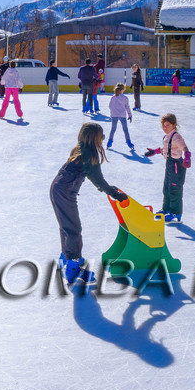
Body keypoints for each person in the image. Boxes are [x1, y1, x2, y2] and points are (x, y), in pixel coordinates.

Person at [49, 121, 127, 286]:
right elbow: (98, 180)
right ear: (94, 138)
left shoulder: (81, 150)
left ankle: (66, 257)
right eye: (101, 136)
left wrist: (112, 191)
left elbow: (94, 178)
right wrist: (115, 194)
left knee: (67, 226)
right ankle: (73, 266)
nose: (103, 139)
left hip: (58, 189)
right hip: (64, 192)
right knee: (73, 229)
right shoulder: (90, 155)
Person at [144, 112, 188, 223]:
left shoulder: (176, 137)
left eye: (167, 125)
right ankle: (166, 209)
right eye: (163, 125)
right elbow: (167, 148)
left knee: (174, 189)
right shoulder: (167, 136)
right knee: (167, 188)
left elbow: (185, 148)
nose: (165, 127)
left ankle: (175, 212)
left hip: (176, 165)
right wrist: (155, 151)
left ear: (174, 125)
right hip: (169, 164)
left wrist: (187, 158)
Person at [106, 83, 134, 150]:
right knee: (125, 129)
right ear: (122, 90)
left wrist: (112, 113)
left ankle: (109, 142)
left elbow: (110, 106)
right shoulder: (125, 98)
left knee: (113, 129)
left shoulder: (113, 97)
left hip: (114, 115)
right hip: (122, 115)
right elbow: (127, 107)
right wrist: (130, 115)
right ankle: (129, 142)